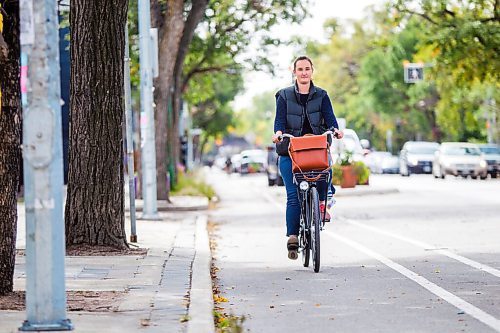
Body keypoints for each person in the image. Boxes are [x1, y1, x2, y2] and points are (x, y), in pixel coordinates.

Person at [271, 55, 343, 260]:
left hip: (316, 149)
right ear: (294, 72)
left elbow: (330, 119)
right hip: (290, 151)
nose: (304, 72)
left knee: (326, 170)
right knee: (293, 196)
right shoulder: (284, 95)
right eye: (300, 69)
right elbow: (279, 122)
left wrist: (335, 130)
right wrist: (278, 134)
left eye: (307, 69)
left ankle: (322, 203)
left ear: (312, 71)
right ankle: (293, 236)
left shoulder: (322, 95)